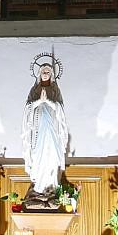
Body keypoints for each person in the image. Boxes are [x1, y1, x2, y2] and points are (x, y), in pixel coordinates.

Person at [21, 59, 69, 203]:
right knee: (38, 156)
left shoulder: (55, 90)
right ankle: (39, 188)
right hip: (38, 131)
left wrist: (47, 101)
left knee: (52, 156)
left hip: (52, 131)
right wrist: (38, 102)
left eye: (48, 72)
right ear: (39, 74)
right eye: (43, 72)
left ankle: (51, 187)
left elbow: (60, 109)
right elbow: (27, 109)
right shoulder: (34, 90)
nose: (45, 74)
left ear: (52, 74)